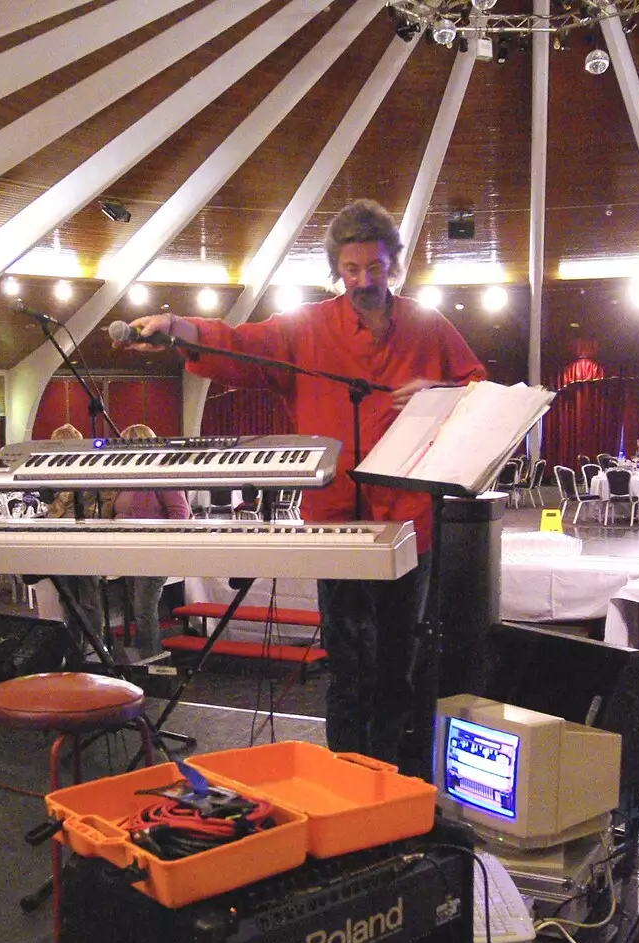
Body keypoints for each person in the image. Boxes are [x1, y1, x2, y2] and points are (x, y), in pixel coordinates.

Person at [121, 199, 485, 770]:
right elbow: (237, 343)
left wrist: (440, 397)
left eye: (375, 267)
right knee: (346, 661)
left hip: (411, 520)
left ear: (394, 263)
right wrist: (177, 327)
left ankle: (394, 776)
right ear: (337, 270)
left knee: (400, 658)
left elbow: (477, 385)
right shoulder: (309, 327)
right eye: (352, 270)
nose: (364, 281)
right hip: (338, 517)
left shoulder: (428, 325)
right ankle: (345, 774)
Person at [113, 423, 192, 660]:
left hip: (153, 551)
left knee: (144, 609)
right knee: (137, 610)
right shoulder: (127, 478)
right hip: (129, 550)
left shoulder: (162, 475)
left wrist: (160, 541)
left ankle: (151, 660)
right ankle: (142, 656)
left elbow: (181, 513)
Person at [43, 423, 115, 656]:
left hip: (85, 537)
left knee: (89, 597)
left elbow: (107, 500)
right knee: (67, 597)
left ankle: (95, 648)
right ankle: (73, 647)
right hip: (60, 538)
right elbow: (49, 504)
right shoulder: (52, 472)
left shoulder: (90, 470)